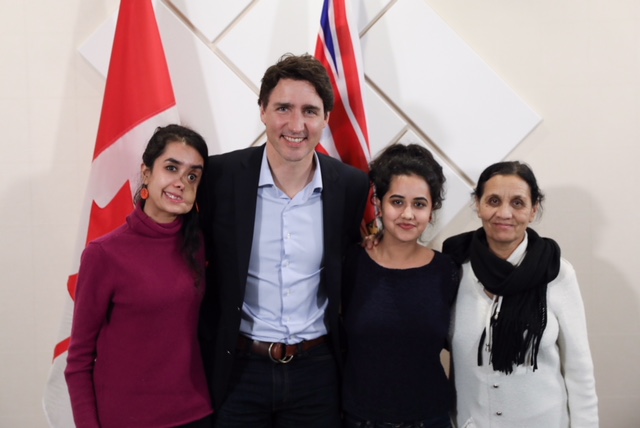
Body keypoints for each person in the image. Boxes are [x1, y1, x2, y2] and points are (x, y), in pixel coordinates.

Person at [197, 53, 370, 427]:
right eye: (283, 108)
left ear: (326, 118)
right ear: (262, 111)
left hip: (317, 371)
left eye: (310, 111)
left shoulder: (352, 186)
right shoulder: (219, 177)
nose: (296, 124)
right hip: (238, 368)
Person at [64, 125, 213, 428]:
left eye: (192, 175)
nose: (181, 182)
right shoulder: (104, 254)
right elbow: (78, 361)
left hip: (196, 415)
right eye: (172, 168)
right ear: (146, 172)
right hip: (126, 420)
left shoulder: (200, 245)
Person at [442, 161, 598, 428]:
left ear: (533, 210)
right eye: (493, 200)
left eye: (517, 203)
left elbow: (579, 370)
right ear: (478, 205)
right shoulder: (454, 266)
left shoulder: (557, 273)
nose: (504, 213)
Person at [341, 143, 459, 428]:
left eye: (419, 204)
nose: (408, 214)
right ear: (378, 204)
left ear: (432, 212)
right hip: (358, 419)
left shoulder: (448, 271)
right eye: (397, 201)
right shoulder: (350, 263)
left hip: (430, 419)